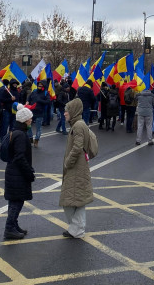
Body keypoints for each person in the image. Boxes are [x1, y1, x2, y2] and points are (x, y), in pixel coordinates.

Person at [60, 98, 93, 239]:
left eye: (66, 111)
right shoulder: (77, 124)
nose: (64, 113)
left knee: (72, 200)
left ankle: (77, 230)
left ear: (73, 111)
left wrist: (68, 162)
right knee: (75, 200)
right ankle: (76, 229)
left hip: (76, 167)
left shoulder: (78, 125)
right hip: (77, 166)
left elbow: (78, 146)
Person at [3, 106, 35, 240]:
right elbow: (20, 157)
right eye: (30, 118)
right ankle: (9, 228)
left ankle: (14, 225)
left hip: (12, 171)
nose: (31, 120)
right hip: (18, 173)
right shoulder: (21, 135)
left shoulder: (14, 131)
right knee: (17, 201)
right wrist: (29, 172)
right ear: (25, 120)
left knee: (14, 200)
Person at [27, 81, 49, 147]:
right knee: (28, 126)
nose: (40, 86)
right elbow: (29, 97)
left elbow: (48, 101)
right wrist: (27, 101)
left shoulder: (45, 93)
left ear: (44, 86)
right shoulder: (34, 91)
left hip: (40, 112)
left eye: (41, 85)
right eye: (39, 85)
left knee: (38, 128)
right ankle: (30, 138)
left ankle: (36, 140)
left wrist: (40, 101)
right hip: (32, 111)